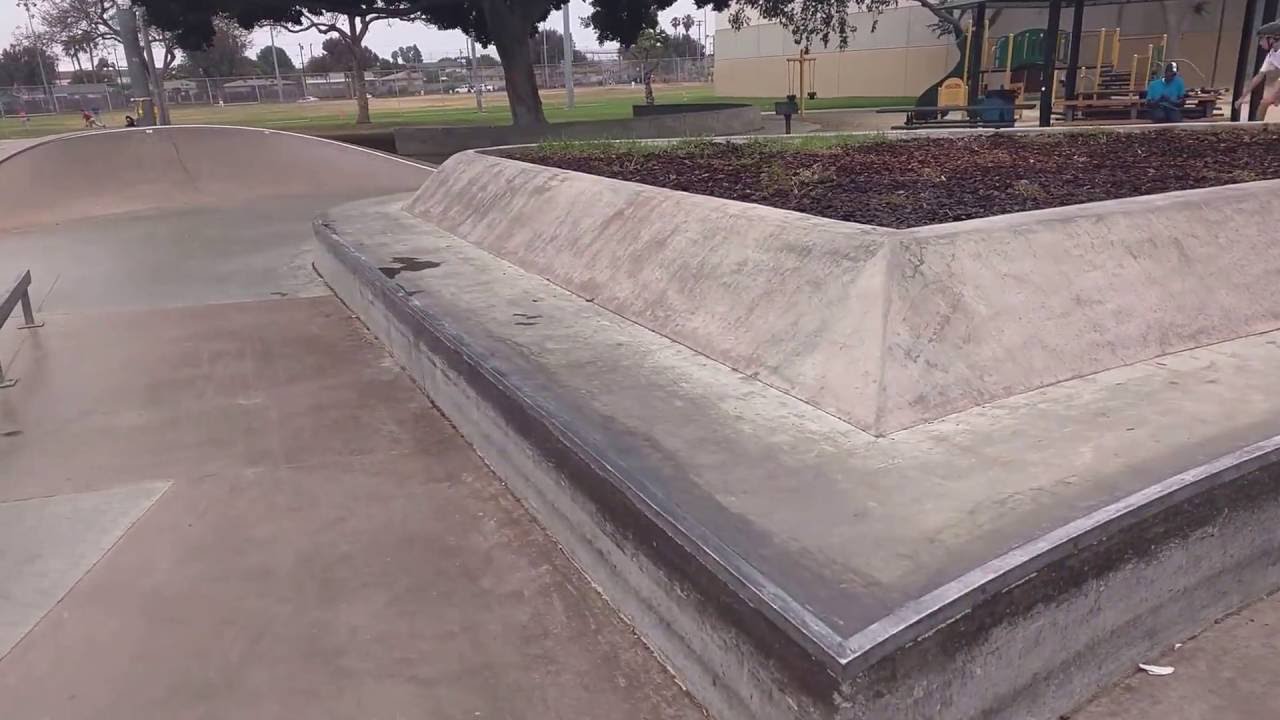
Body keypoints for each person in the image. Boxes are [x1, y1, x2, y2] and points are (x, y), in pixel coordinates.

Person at [1237, 20, 1280, 119]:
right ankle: (1257, 126)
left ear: (1272, 39)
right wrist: (1242, 97)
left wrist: (1276, 94)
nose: (1260, 43)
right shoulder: (1271, 55)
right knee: (1264, 103)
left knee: (1267, 100)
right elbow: (1258, 77)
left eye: (1261, 39)